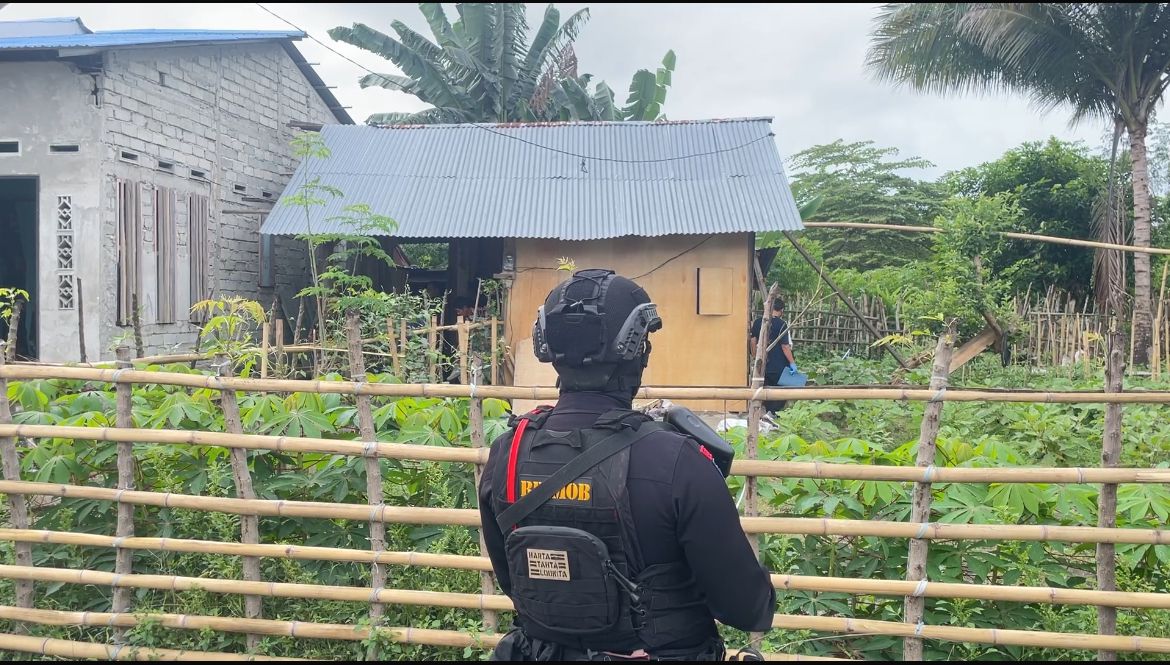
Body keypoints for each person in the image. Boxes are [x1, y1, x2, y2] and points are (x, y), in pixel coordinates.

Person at [478, 268, 775, 661]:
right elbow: (748, 609)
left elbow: (515, 582)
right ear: (638, 352)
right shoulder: (677, 463)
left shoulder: (508, 454)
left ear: (547, 348)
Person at [749, 299, 797, 413]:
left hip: (763, 363)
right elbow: (785, 346)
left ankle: (768, 412)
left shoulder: (758, 322)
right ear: (781, 310)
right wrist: (792, 363)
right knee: (782, 390)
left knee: (766, 389)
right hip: (778, 364)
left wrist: (755, 356)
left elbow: (753, 341)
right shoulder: (781, 324)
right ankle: (774, 413)